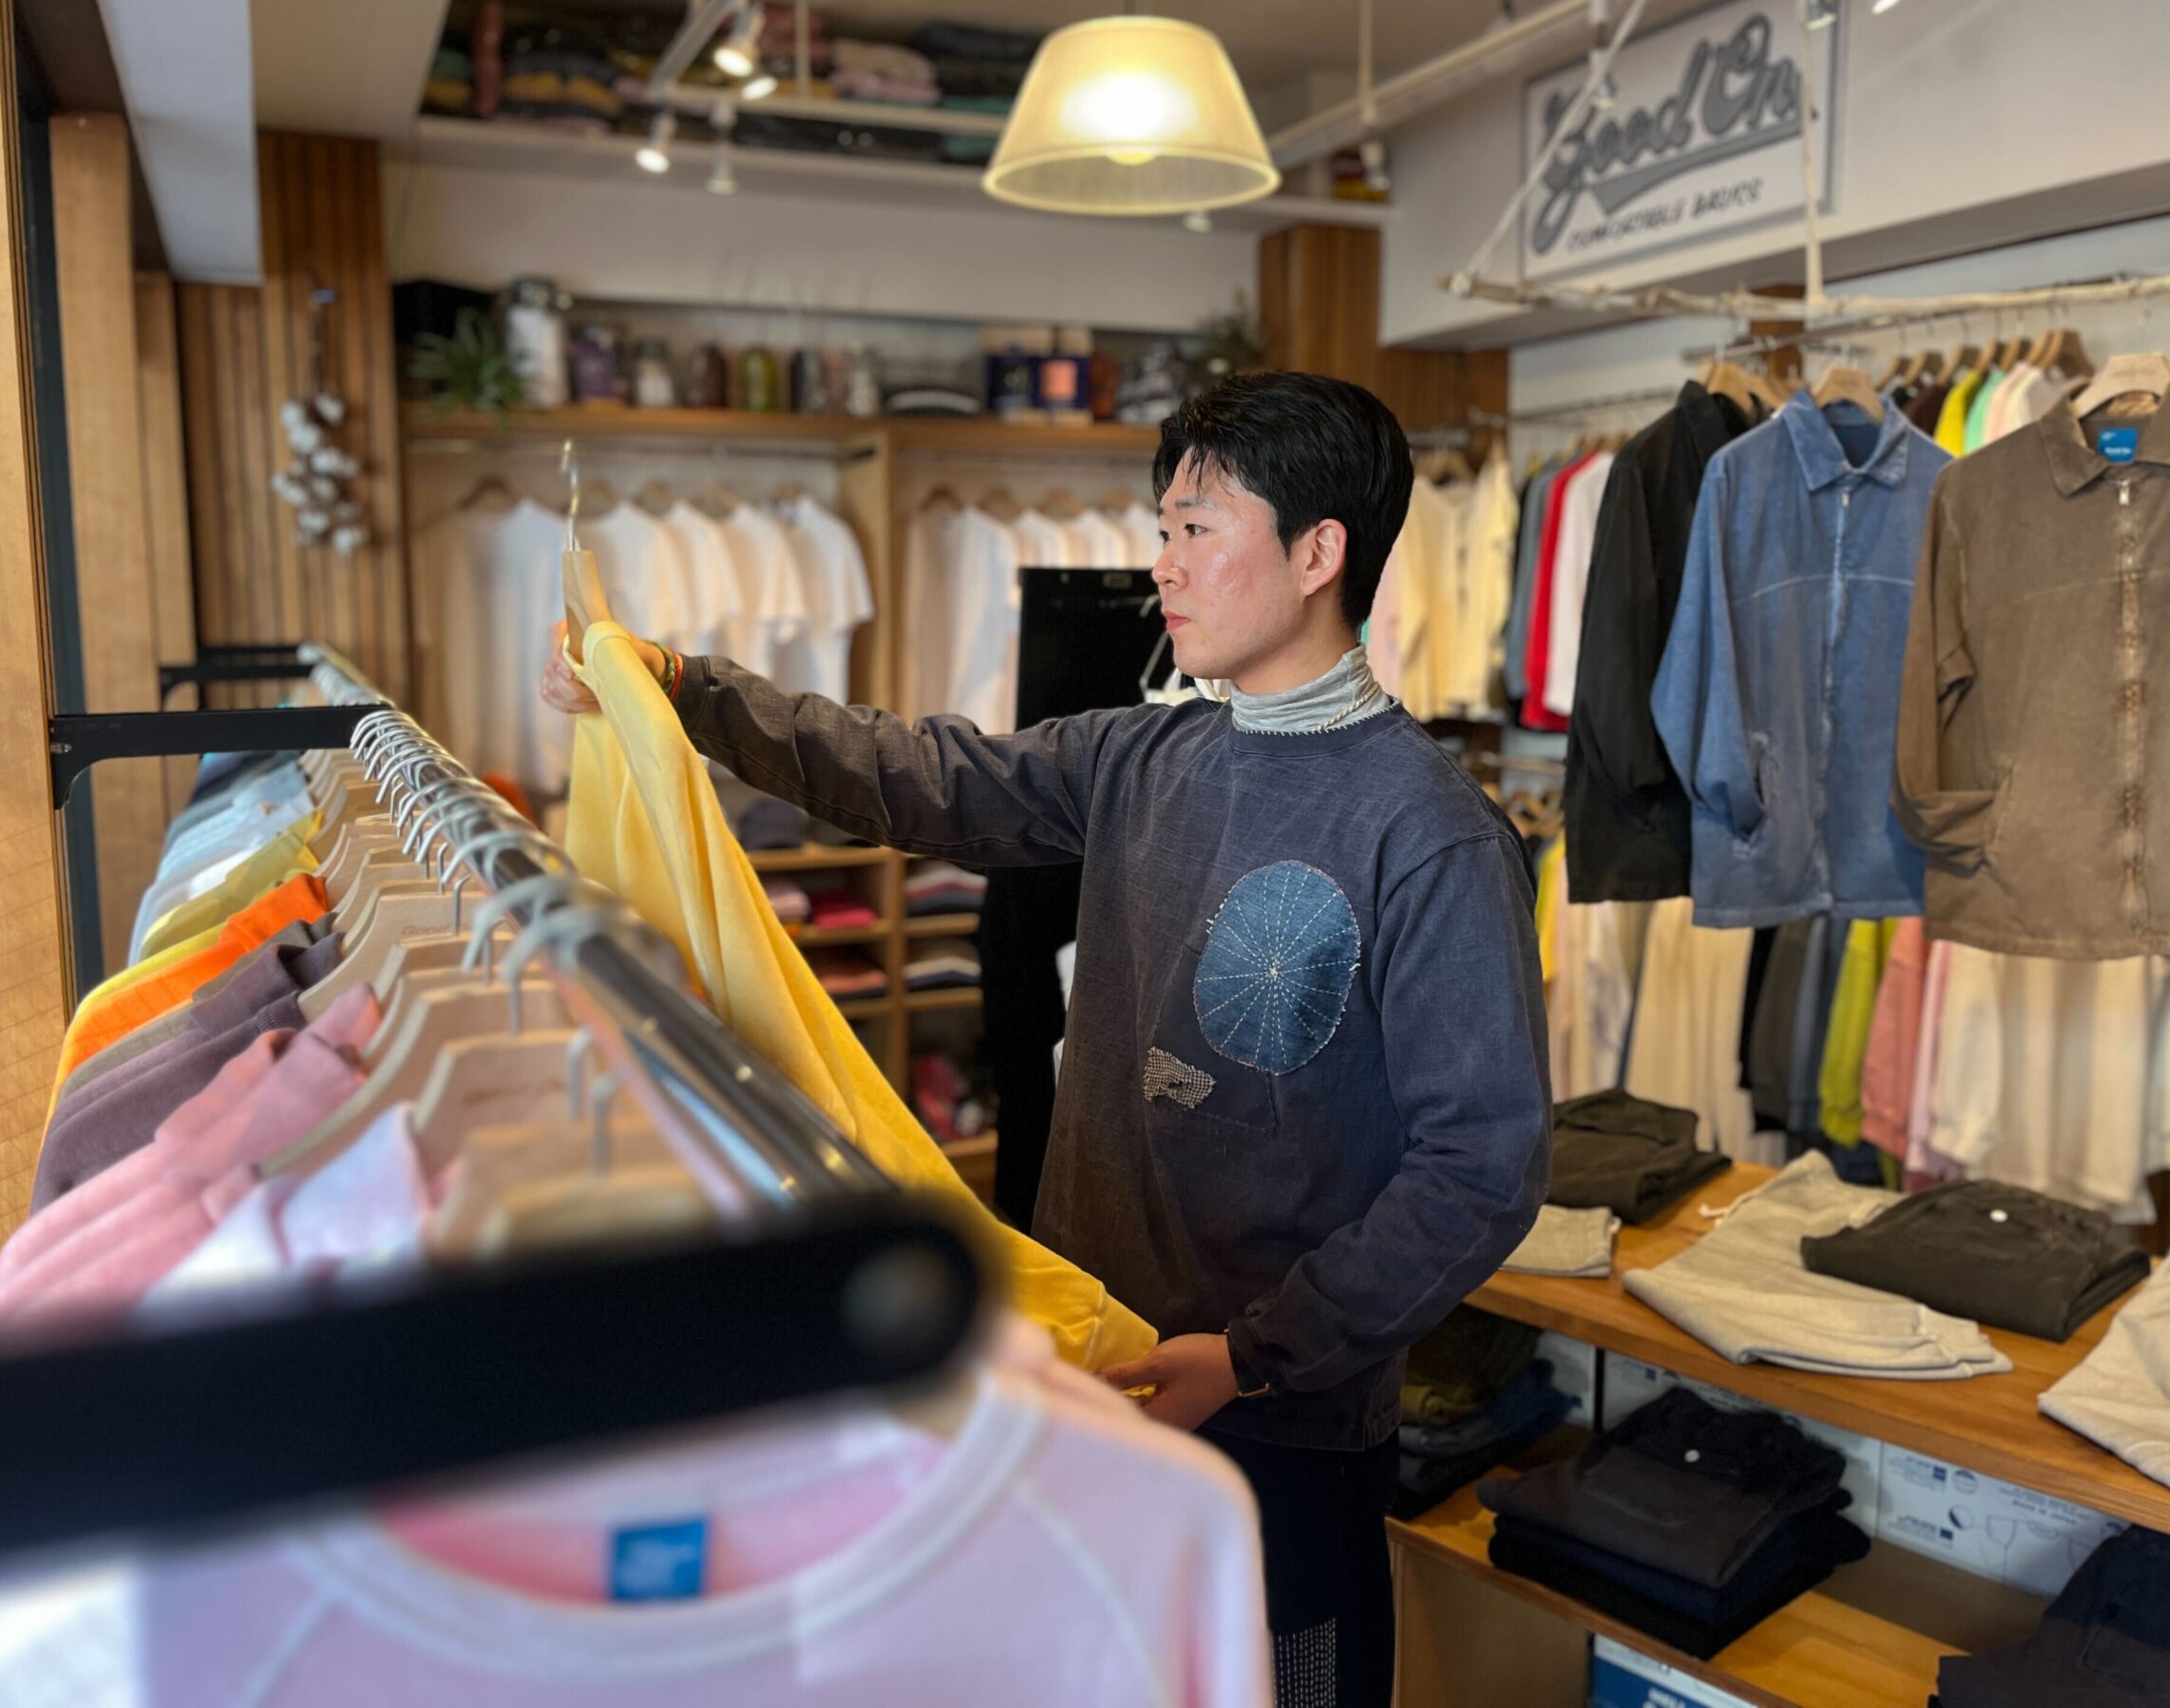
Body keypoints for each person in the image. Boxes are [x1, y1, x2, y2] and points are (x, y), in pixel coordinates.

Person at [542, 370, 1551, 1708]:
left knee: (1286, 1686)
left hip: (1281, 1427)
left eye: (1197, 528)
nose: (1162, 562)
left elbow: (1481, 1167)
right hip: (1092, 1374)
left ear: (1319, 555)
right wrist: (684, 691)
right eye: (1163, 526)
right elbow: (919, 774)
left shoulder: (1431, 836)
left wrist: (1255, 1358)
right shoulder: (1147, 759)